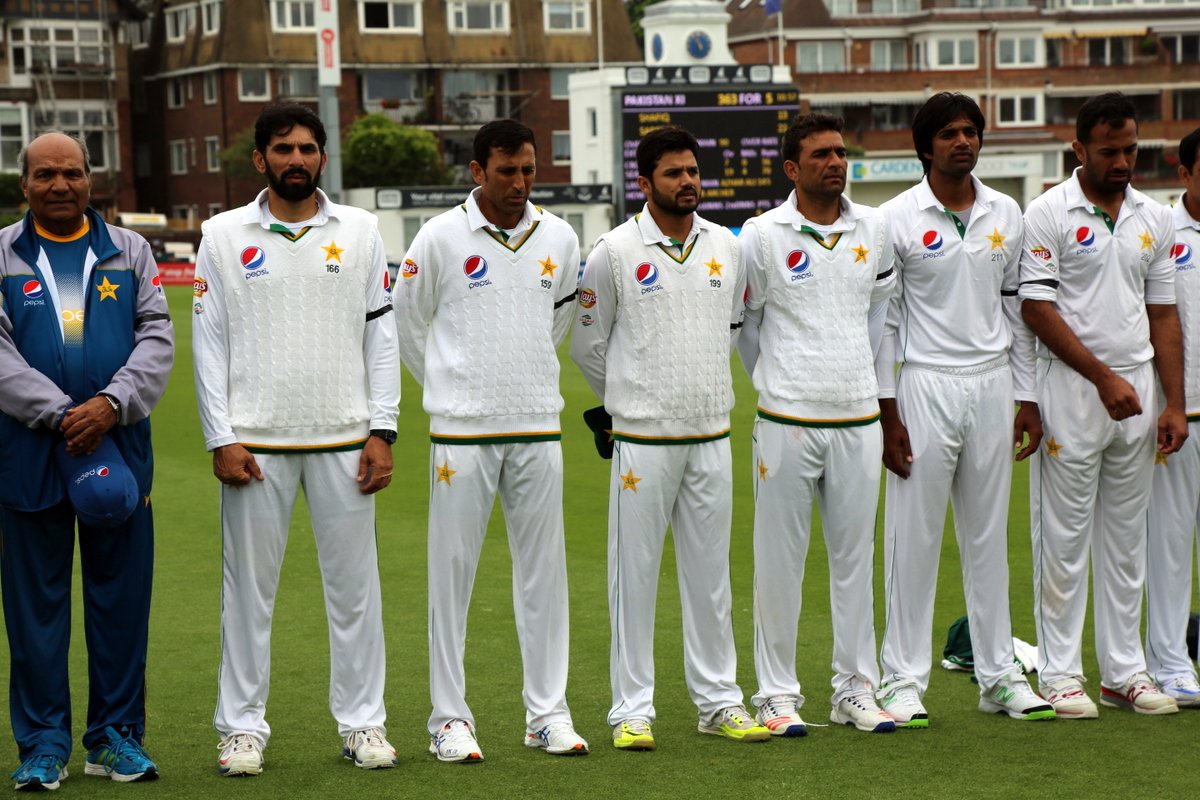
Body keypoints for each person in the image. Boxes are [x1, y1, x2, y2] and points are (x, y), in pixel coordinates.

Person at [192, 102, 401, 774]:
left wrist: (383, 430)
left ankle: (364, 724)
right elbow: (209, 343)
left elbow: (382, 334)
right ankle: (241, 730)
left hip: (345, 440)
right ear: (261, 160)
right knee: (248, 597)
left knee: (356, 595)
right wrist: (220, 436)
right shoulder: (223, 235)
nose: (296, 161)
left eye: (307, 149)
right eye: (283, 150)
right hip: (255, 444)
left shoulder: (363, 232)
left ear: (322, 158)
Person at [394, 119, 588, 763]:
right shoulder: (441, 236)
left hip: (537, 427)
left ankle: (547, 714)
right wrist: (453, 389)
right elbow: (407, 322)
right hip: (461, 435)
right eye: (506, 170)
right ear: (478, 171)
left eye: (528, 169)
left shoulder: (559, 236)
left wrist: (518, 379)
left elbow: (556, 321)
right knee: (453, 578)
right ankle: (449, 718)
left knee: (544, 576)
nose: (519, 182)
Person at [571, 125, 766, 750]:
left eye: (693, 171)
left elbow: (730, 328)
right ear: (645, 181)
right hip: (643, 444)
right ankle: (632, 710)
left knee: (712, 578)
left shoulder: (725, 248)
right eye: (674, 173)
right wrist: (630, 401)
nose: (688, 182)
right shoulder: (615, 251)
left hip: (711, 434)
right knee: (636, 575)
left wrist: (695, 388)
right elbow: (587, 343)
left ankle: (720, 702)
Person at [873, 93, 1054, 726]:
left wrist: (1026, 396)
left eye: (971, 131)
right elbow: (886, 324)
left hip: (992, 384)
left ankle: (999, 674)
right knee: (913, 540)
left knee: (988, 539)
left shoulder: (1007, 211)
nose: (963, 141)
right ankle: (900, 681)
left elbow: (1017, 313)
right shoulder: (893, 218)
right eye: (949, 133)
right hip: (923, 385)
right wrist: (888, 413)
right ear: (924, 146)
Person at [0, 132, 173, 789]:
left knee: (120, 604)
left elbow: (157, 335)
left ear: (90, 180)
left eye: (72, 173)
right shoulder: (2, 253)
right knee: (35, 610)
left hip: (119, 448)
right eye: (46, 174)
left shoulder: (129, 250)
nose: (60, 185)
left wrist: (110, 404)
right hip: (28, 451)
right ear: (25, 184)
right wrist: (62, 413)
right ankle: (44, 743)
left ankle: (114, 738)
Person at [1019, 91, 1185, 717]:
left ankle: (1125, 672)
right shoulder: (1047, 212)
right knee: (1062, 540)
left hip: (1140, 392)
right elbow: (1036, 308)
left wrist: (1173, 402)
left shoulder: (1154, 216)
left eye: (1131, 149)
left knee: (1125, 542)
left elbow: (1163, 314)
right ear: (1079, 149)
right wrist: (1099, 377)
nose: (1122, 161)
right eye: (1110, 151)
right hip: (1073, 389)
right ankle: (1061, 676)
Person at [738, 112, 897, 737]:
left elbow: (878, 319)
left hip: (858, 417)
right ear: (791, 168)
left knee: (854, 559)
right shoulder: (761, 235)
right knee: (779, 562)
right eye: (822, 155)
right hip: (786, 418)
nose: (836, 162)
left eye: (840, 152)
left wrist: (855, 380)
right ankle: (776, 696)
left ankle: (855, 689)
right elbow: (747, 330)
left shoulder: (873, 229)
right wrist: (780, 380)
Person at [1144, 126, 1200, 707]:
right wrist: (1171, 401)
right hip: (1179, 413)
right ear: (1184, 174)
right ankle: (1170, 662)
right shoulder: (1162, 229)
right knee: (1170, 544)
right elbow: (1155, 318)